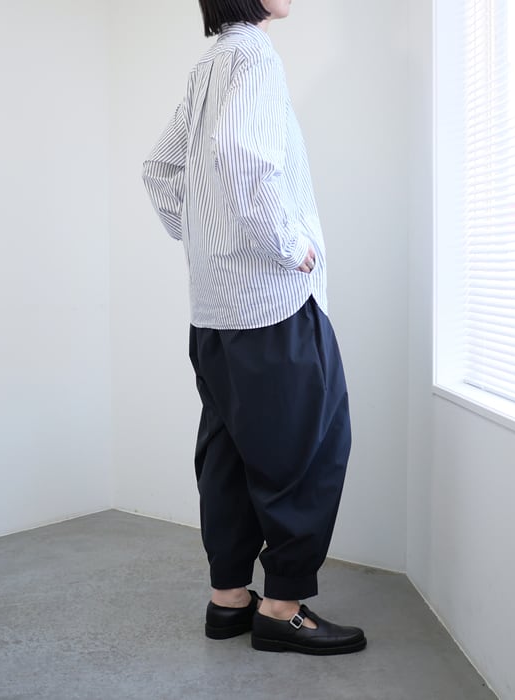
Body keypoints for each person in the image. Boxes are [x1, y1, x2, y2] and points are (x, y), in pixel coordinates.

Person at [142, 0, 366, 655]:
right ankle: (282, 606)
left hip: (214, 309)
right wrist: (290, 244)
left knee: (230, 453)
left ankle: (229, 599)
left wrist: (204, 236)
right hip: (272, 306)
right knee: (312, 450)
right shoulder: (255, 57)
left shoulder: (211, 63)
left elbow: (159, 169)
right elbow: (244, 157)